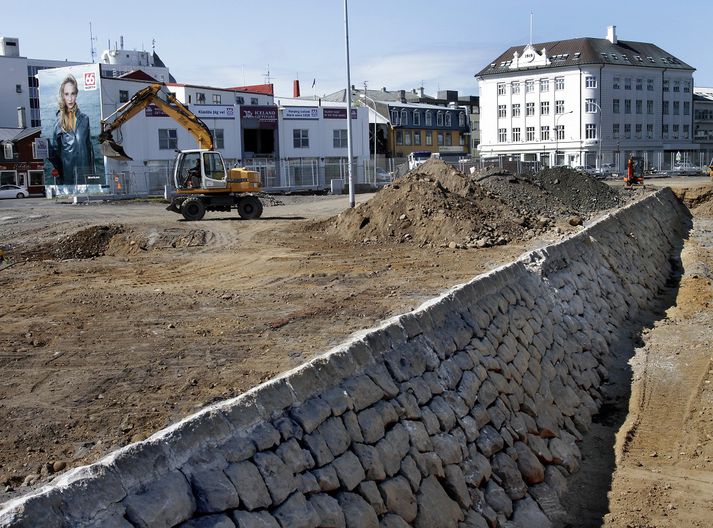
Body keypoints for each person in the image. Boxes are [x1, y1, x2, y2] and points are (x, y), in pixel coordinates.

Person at [48, 74, 95, 185]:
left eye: (72, 94)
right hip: (67, 173)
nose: (70, 98)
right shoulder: (58, 122)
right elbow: (54, 151)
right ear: (63, 96)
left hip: (84, 172)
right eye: (67, 94)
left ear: (76, 94)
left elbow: (89, 149)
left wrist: (92, 174)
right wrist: (60, 173)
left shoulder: (85, 119)